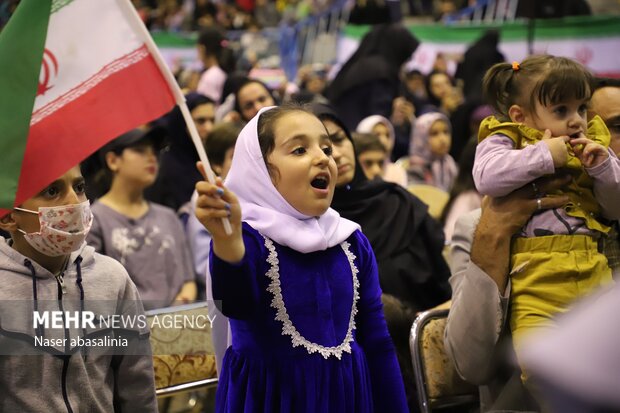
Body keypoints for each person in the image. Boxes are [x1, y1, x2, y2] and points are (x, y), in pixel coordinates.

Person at [194, 105, 408, 412]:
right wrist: (226, 242)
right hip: (271, 400)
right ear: (260, 172)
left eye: (326, 148)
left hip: (348, 399)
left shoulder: (350, 241)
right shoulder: (246, 240)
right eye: (299, 150)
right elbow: (235, 306)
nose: (323, 157)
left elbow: (377, 342)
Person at [473, 55, 620, 360]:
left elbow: (614, 207)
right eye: (560, 110)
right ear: (521, 115)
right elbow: (486, 177)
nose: (576, 120)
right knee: (541, 365)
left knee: (603, 364)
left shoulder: (594, 146)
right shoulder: (508, 138)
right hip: (536, 282)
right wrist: (544, 155)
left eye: (581, 108)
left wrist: (603, 168)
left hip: (593, 272)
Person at [0, 165, 157, 411]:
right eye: (52, 191)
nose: (74, 202)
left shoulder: (113, 278)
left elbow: (138, 388)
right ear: (9, 216)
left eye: (79, 187)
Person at [312, 103, 451, 314]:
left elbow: (443, 284)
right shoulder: (306, 227)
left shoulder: (397, 202)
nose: (336, 154)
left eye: (339, 139)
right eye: (323, 149)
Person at [87, 128, 196, 310]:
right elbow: (95, 291)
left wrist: (172, 317)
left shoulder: (169, 217)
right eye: (140, 150)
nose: (152, 157)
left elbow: (188, 282)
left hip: (177, 325)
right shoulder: (93, 220)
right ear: (113, 161)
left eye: (154, 151)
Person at [325, 23, 419, 131]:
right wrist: (395, 118)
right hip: (363, 140)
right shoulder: (382, 73)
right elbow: (378, 120)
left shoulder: (360, 65)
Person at [145, 92, 215, 211]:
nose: (209, 128)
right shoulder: (164, 168)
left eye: (212, 120)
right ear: (182, 123)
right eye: (200, 121)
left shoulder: (213, 157)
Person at [408, 112, 458, 191]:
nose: (443, 139)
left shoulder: (451, 166)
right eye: (434, 134)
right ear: (421, 138)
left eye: (446, 132)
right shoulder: (415, 172)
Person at [356, 115, 408, 186]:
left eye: (387, 135)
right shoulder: (350, 175)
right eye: (377, 134)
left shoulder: (397, 171)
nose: (384, 140)